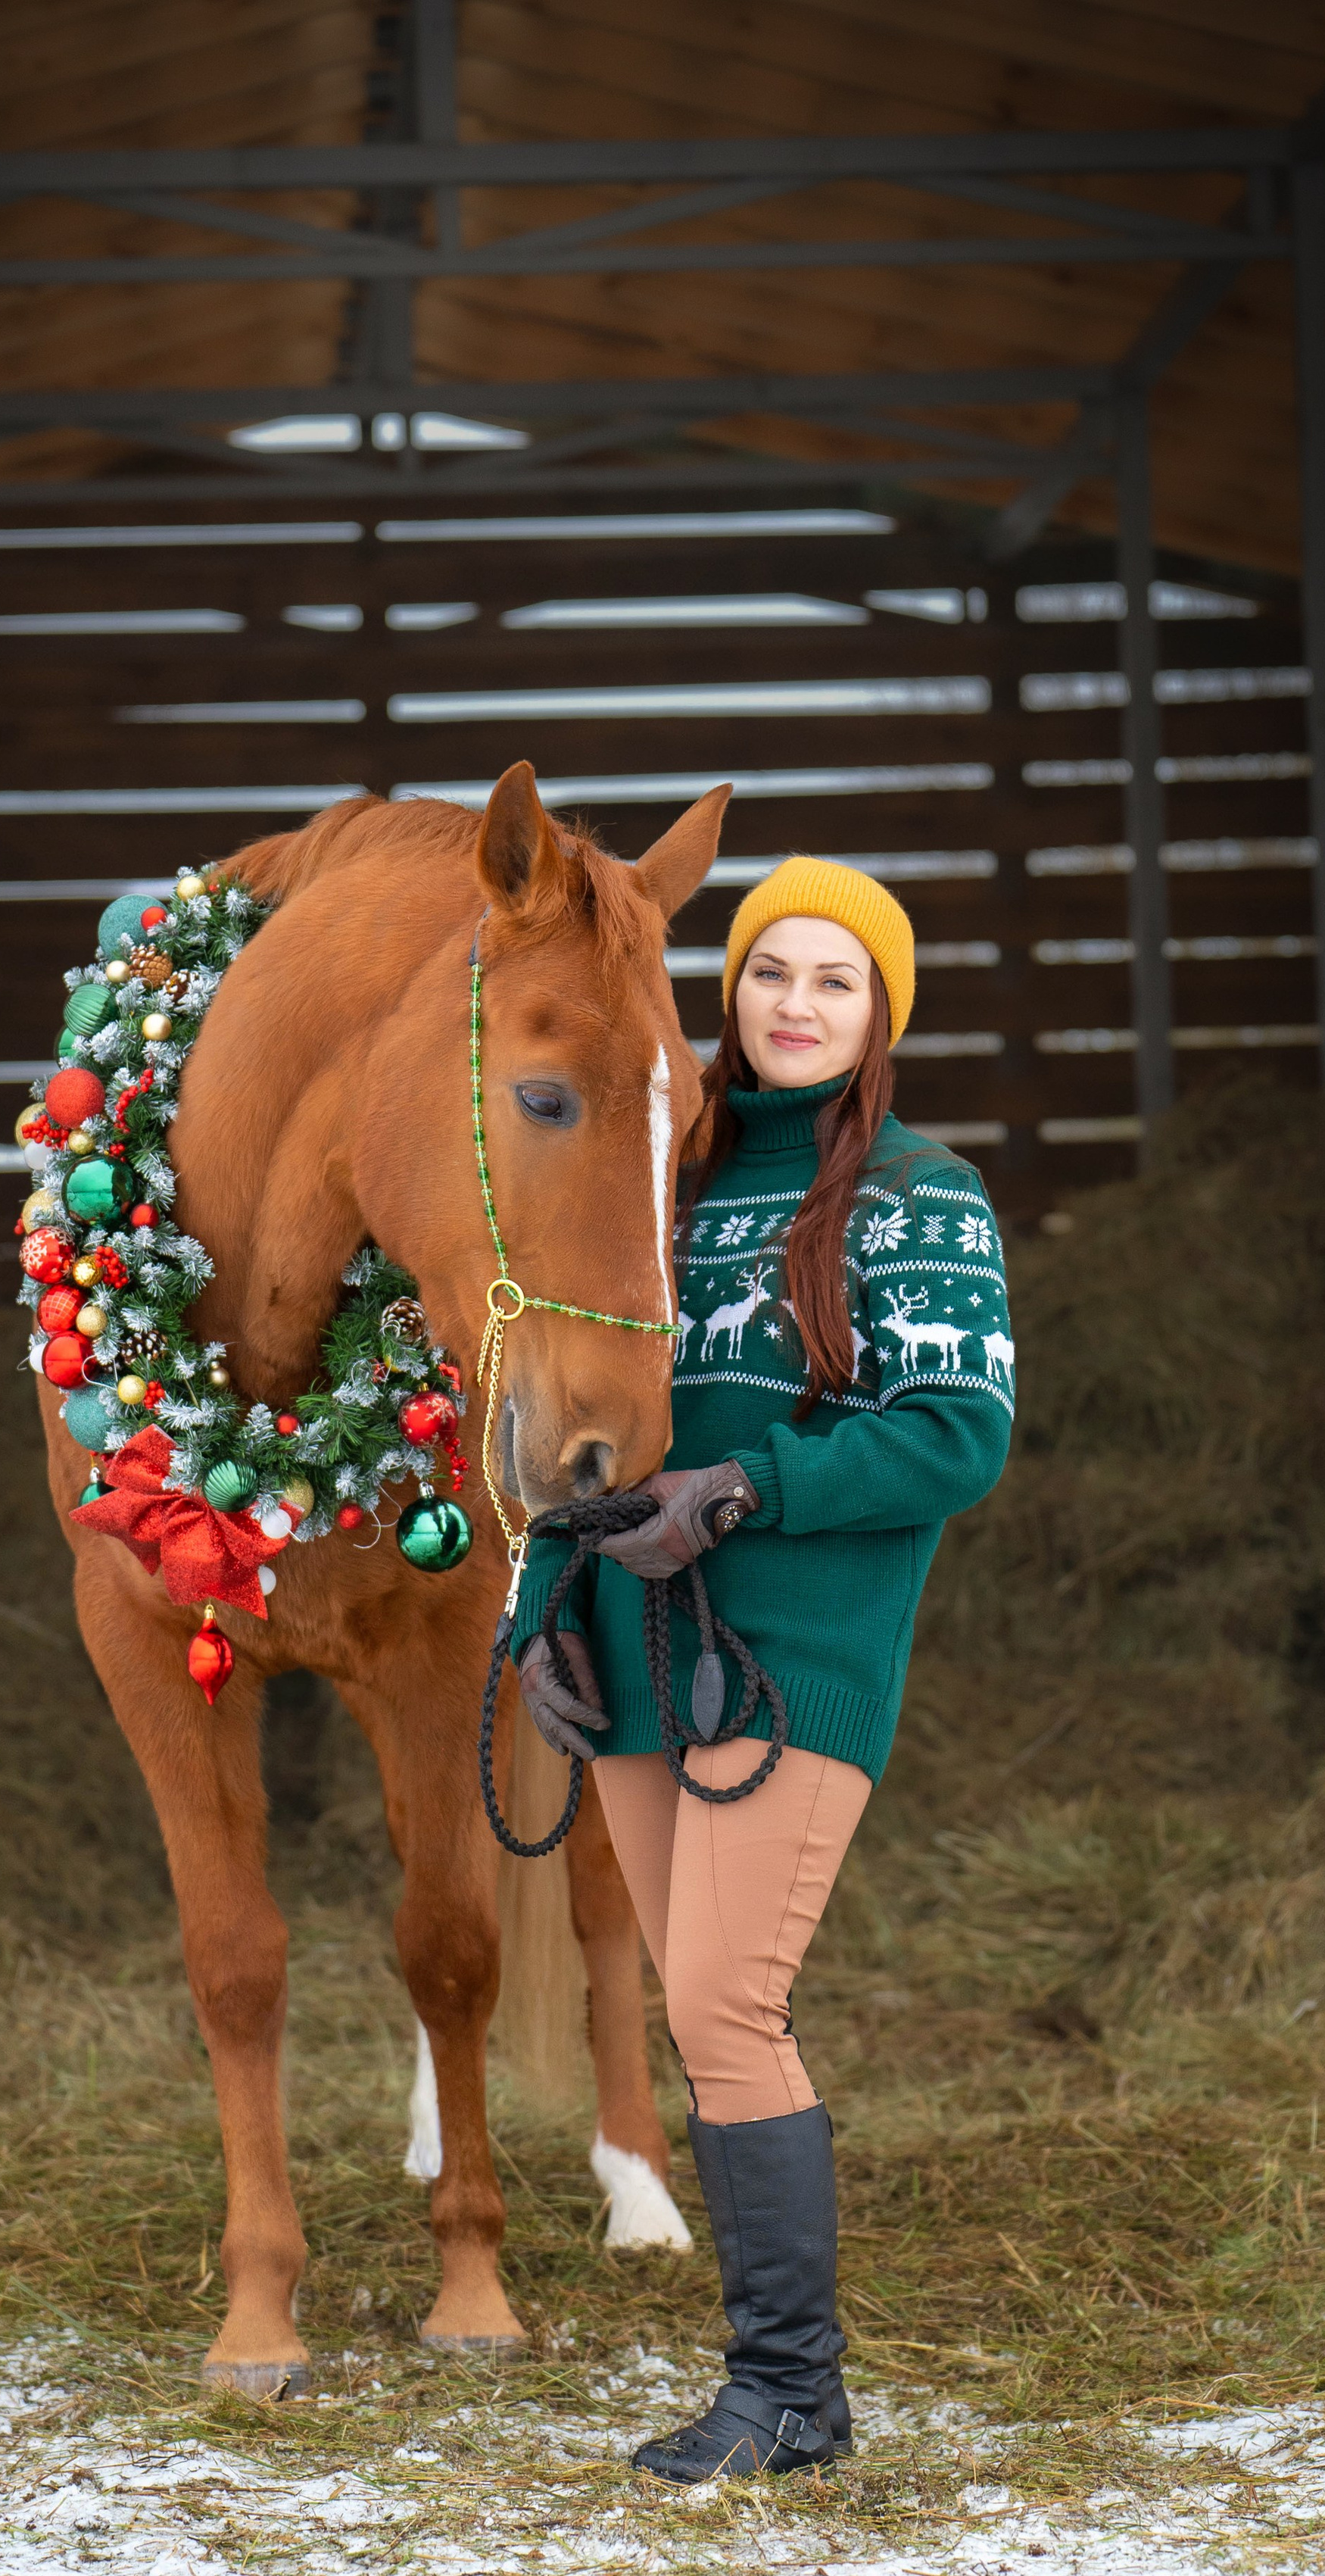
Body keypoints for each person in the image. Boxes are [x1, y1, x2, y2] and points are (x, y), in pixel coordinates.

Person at [512, 855, 1015, 2484]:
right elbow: (586, 1420)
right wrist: (534, 1619)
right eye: (771, 972)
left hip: (790, 1655)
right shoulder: (662, 1181)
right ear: (727, 995)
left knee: (730, 2002)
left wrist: (748, 1489)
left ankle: (790, 2391)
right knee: (695, 2003)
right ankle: (783, 2390)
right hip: (632, 1644)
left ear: (877, 1014)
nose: (796, 1004)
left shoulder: (919, 1195)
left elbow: (955, 1438)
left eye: (836, 980)